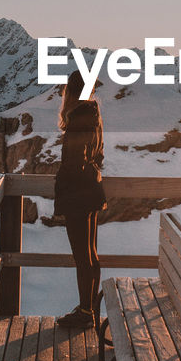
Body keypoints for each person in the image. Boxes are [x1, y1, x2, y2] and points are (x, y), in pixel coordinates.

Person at [53, 69, 106, 329]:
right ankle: (90, 309)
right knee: (90, 255)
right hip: (91, 193)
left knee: (82, 257)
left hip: (78, 196)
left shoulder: (78, 119)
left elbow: (75, 161)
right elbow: (98, 157)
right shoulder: (94, 114)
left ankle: (86, 313)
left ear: (71, 92)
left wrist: (68, 178)